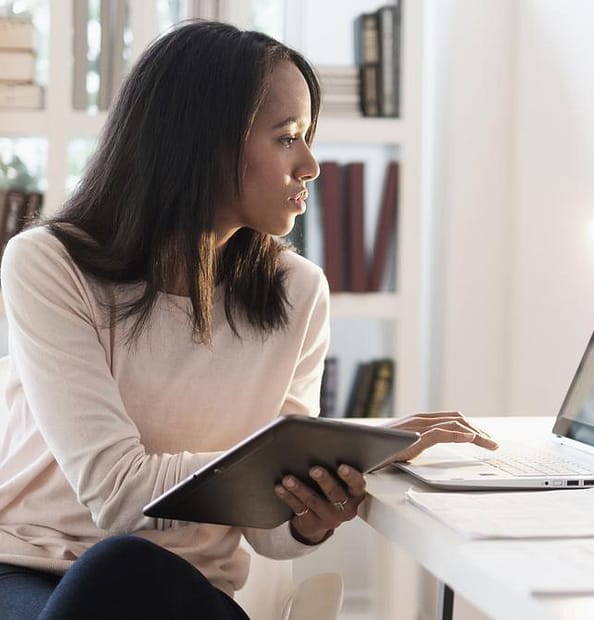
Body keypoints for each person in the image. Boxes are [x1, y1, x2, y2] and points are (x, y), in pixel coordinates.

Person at [0, 20, 496, 619]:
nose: (311, 164)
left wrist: (313, 508)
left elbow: (269, 534)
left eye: (307, 136)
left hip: (188, 589)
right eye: (287, 137)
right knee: (117, 562)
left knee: (128, 567)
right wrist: (287, 459)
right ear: (200, 140)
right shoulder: (50, 263)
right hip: (28, 569)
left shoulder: (298, 291)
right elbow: (116, 493)